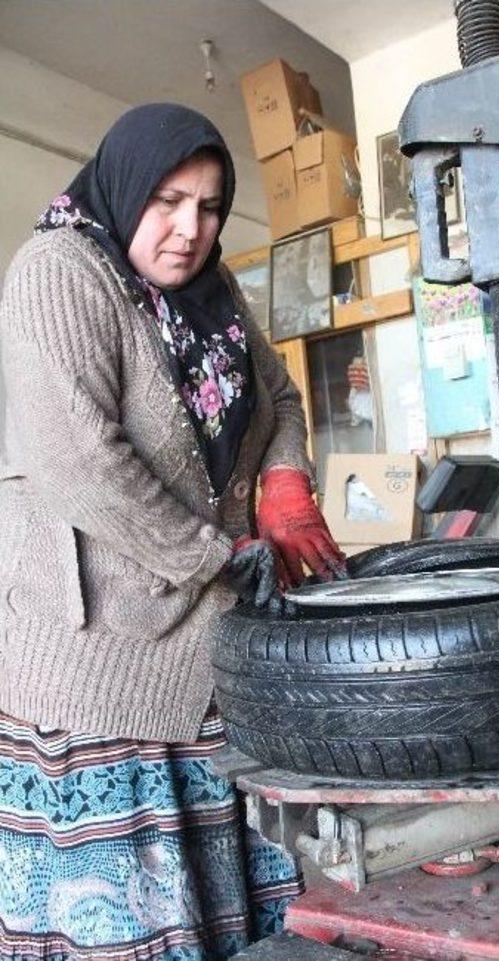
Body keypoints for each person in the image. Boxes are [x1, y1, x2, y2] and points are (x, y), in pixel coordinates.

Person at [0, 103, 345, 960]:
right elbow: (79, 463)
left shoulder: (215, 294)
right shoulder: (60, 273)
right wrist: (215, 556)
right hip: (101, 669)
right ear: (123, 190)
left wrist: (285, 482)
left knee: (240, 921)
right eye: (166, 200)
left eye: (210, 205)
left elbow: (284, 399)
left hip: (208, 655)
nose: (190, 229)